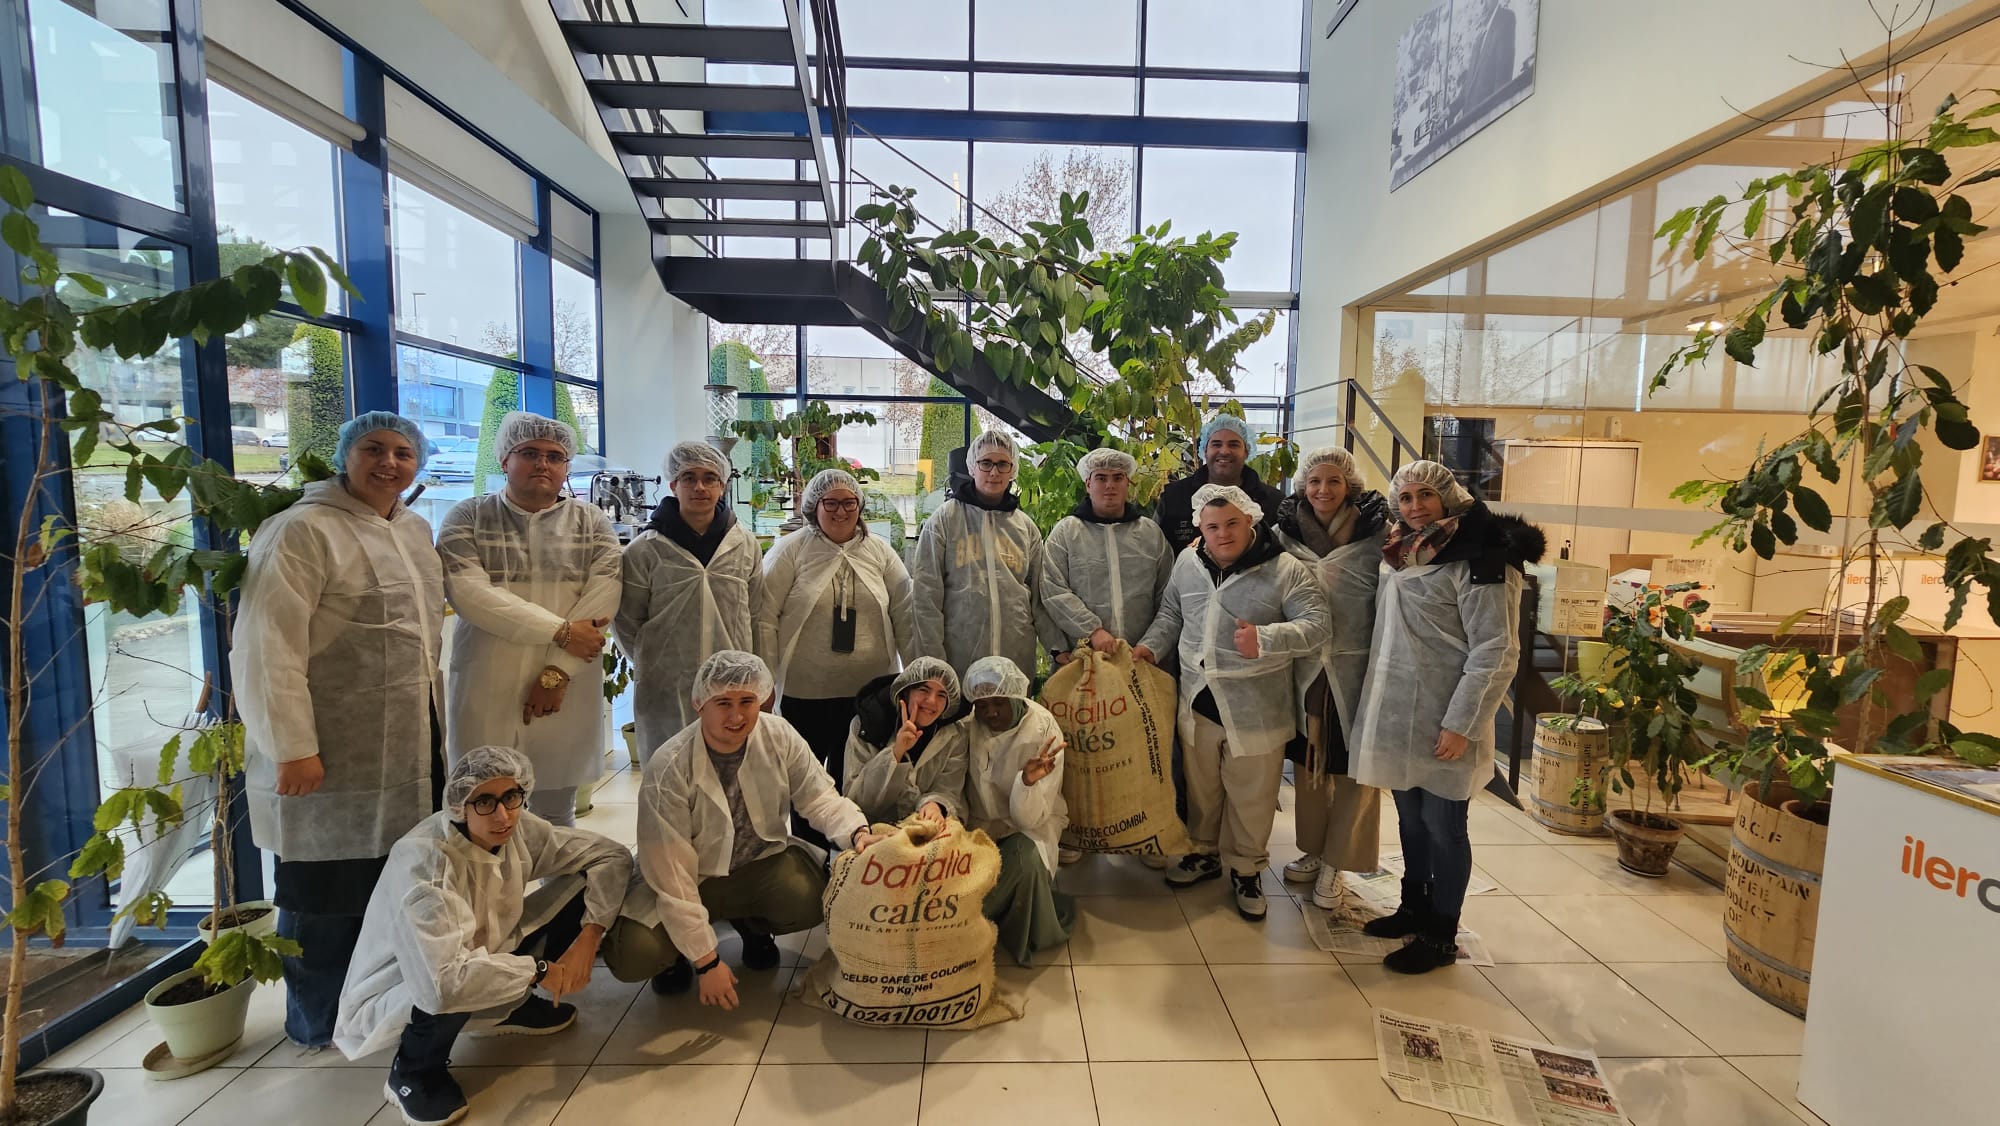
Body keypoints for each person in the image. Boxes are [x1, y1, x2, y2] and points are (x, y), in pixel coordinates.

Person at [232, 411, 444, 1050]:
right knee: (321, 890)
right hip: (328, 747)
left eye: (403, 452)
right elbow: (267, 647)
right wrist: (293, 747)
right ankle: (316, 1019)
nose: (389, 463)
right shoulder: (301, 530)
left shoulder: (411, 529)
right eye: (374, 449)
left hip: (409, 738)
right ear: (344, 455)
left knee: (392, 878)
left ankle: (378, 1006)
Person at [337, 747, 637, 1126]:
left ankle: (511, 1005)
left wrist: (589, 939)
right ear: (460, 804)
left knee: (583, 881)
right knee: (452, 982)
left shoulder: (519, 827)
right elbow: (442, 983)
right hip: (415, 980)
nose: (503, 815)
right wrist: (540, 970)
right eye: (485, 802)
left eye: (511, 797)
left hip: (486, 948)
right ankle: (413, 1071)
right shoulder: (425, 863)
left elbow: (610, 856)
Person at [606, 651, 887, 1007]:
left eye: (746, 701)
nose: (736, 716)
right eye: (722, 702)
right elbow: (673, 877)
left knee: (812, 898)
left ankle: (752, 927)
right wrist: (707, 962)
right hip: (692, 878)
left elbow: (819, 799)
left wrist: (858, 833)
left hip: (755, 864)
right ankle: (675, 956)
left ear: (763, 698)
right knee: (634, 954)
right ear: (698, 703)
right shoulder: (669, 769)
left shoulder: (779, 735)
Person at [1351, 460, 1543, 974]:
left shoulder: (1483, 557)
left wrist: (1462, 723)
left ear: (1449, 496)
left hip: (1447, 717)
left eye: (1425, 496)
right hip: (1399, 713)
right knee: (1411, 820)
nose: (1415, 507)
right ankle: (1413, 906)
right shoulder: (1400, 551)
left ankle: (1440, 935)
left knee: (1444, 825)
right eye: (1406, 497)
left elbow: (1495, 651)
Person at [1136, 485, 1329, 921]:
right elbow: (1171, 614)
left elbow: (1317, 624)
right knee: (1202, 787)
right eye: (1212, 527)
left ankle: (1246, 869)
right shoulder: (1188, 562)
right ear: (1200, 529)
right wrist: (1149, 647)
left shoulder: (1284, 570)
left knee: (1252, 795)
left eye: (1231, 525)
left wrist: (1264, 638)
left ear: (1251, 522)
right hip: (1198, 699)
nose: (1222, 535)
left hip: (1255, 705)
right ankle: (1204, 853)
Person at [437, 412, 622, 826]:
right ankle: (492, 893)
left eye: (555, 456)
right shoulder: (467, 517)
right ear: (504, 459)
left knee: (556, 811)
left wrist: (557, 673)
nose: (543, 464)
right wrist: (560, 631)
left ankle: (558, 892)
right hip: (489, 680)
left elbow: (603, 596)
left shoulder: (590, 522)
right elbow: (471, 595)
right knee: (483, 810)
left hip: (566, 683)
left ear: (566, 467)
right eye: (530, 453)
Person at [757, 468, 917, 847]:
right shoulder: (792, 550)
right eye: (831, 503)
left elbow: (905, 613)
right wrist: (762, 680)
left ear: (860, 506)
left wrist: (914, 676)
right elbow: (764, 616)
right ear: (814, 506)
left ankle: (852, 857)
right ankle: (810, 860)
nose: (841, 511)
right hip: (805, 691)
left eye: (850, 503)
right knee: (806, 780)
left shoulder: (879, 551)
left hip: (868, 693)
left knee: (856, 779)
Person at [1270, 447, 1392, 910]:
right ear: (1302, 485)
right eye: (1315, 481)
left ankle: (1339, 861)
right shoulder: (1285, 534)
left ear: (1350, 487)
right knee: (1308, 764)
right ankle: (1314, 849)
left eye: (1334, 482)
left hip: (1354, 665)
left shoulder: (1374, 533)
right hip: (1304, 667)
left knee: (1354, 766)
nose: (1323, 490)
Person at [616, 441, 765, 760]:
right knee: (669, 773)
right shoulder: (645, 550)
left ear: (722, 485)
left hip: (733, 685)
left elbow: (755, 612)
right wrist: (658, 662)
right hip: (667, 687)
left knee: (731, 776)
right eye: (688, 478)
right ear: (672, 484)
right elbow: (628, 621)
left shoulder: (744, 544)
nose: (700, 486)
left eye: (710, 478)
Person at [910, 431, 1060, 678]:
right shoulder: (946, 519)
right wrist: (932, 660)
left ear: (1013, 469)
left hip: (1015, 655)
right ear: (972, 467)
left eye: (1003, 464)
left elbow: (1040, 596)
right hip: (959, 656)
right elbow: (926, 595)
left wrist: (1056, 647)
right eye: (986, 463)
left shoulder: (1025, 527)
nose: (994, 472)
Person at [959, 657, 1075, 967]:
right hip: (977, 826)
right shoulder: (968, 725)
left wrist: (1026, 782)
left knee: (1022, 864)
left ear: (1015, 695)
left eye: (998, 703)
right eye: (981, 705)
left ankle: (975, 927)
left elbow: (1030, 818)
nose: (990, 713)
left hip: (1029, 825)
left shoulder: (1042, 729)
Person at [1040, 446, 1176, 656]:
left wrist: (1151, 644)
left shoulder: (1150, 534)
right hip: (1083, 657)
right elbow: (1053, 590)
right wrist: (1092, 631)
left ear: (1127, 483)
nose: (1110, 485)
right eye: (1101, 478)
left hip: (1141, 659)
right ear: (1088, 483)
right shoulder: (1067, 533)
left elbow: (1168, 597)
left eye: (1118, 478)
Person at [842, 657, 971, 827]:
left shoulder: (954, 734)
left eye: (941, 695)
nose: (932, 701)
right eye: (924, 690)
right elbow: (857, 801)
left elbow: (949, 789)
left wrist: (934, 804)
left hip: (925, 830)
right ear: (905, 691)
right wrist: (896, 752)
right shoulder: (868, 725)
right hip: (868, 831)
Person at [1156, 413, 1286, 554]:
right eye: (1216, 444)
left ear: (1247, 452)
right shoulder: (1173, 497)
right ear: (1205, 450)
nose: (1224, 451)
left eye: (1234, 444)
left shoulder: (1273, 502)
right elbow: (1155, 551)